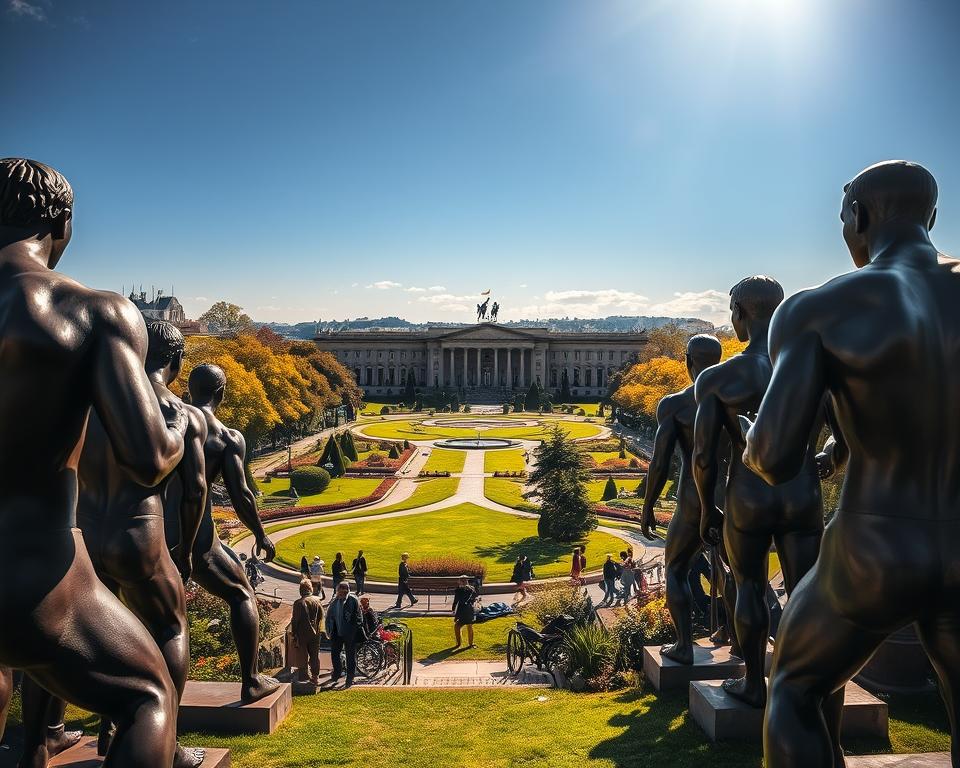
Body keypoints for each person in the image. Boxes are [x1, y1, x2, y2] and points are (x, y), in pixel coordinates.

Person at [741, 161, 960, 768]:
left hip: (874, 548)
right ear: (932, 217)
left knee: (795, 690)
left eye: (844, 219)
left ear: (859, 216)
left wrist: (751, 434)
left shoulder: (821, 308)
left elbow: (774, 458)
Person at [0, 157, 184, 767]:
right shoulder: (93, 310)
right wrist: (179, 429)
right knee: (147, 697)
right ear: (63, 224)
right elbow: (149, 459)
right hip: (32, 567)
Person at [692, 275, 835, 710]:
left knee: (749, 587)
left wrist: (707, 510)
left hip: (747, 497)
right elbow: (846, 437)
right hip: (801, 494)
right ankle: (807, 688)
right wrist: (829, 460)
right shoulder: (817, 370)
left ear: (739, 314)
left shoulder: (718, 378)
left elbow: (703, 458)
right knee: (806, 592)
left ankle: (755, 685)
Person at [171, 363, 280, 703]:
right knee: (241, 594)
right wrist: (260, 534)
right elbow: (241, 494)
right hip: (196, 537)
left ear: (189, 389)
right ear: (222, 393)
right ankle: (251, 681)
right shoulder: (226, 436)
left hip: (149, 528)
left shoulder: (168, 419)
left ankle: (113, 718)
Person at [641, 333, 739, 662]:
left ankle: (684, 646)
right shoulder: (736, 402)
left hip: (693, 499)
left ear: (687, 362)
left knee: (676, 568)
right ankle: (738, 641)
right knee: (736, 573)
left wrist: (648, 505)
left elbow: (659, 463)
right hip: (731, 496)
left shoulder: (675, 404)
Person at [324, 582, 362, 688]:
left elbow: (359, 617)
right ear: (337, 591)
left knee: (350, 656)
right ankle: (337, 673)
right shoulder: (334, 602)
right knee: (335, 653)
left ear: (348, 591)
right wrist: (329, 631)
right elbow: (329, 617)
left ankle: (350, 677)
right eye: (340, 591)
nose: (342, 593)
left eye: (344, 591)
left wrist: (354, 630)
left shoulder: (353, 600)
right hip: (336, 633)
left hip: (349, 633)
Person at [291, 579, 325, 686]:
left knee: (303, 656)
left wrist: (294, 633)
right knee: (314, 656)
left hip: (302, 633)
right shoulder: (317, 601)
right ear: (310, 589)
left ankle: (304, 677)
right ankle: (315, 678)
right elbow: (321, 616)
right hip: (316, 633)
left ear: (301, 590)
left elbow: (295, 620)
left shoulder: (298, 603)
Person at [452, 576, 477, 648]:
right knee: (469, 626)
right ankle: (470, 644)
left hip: (462, 610)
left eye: (459, 581)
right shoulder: (472, 589)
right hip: (469, 610)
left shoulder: (458, 590)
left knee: (457, 626)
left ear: (461, 582)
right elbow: (474, 598)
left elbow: (456, 601)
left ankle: (458, 643)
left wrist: (453, 609)